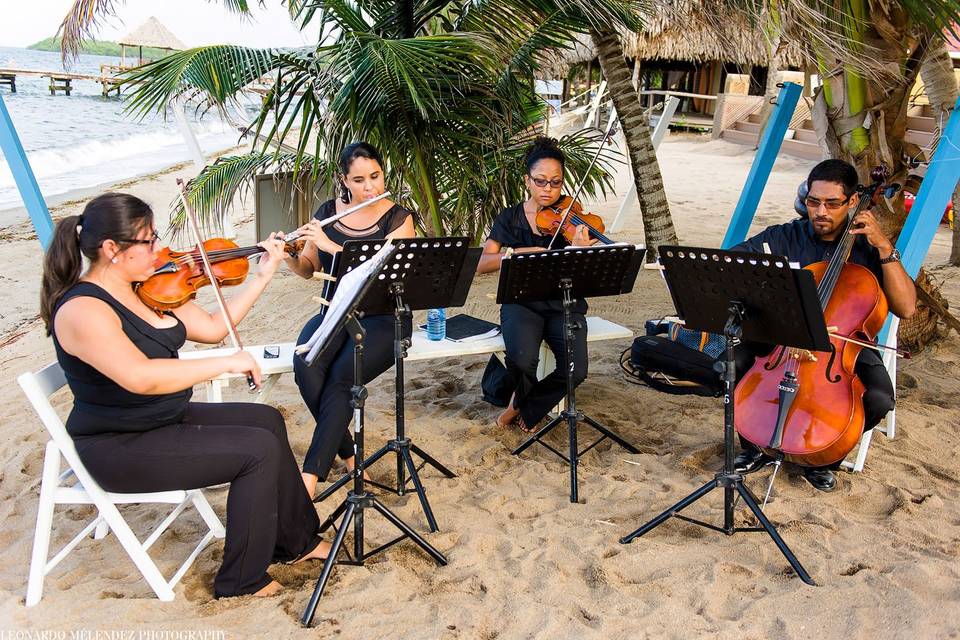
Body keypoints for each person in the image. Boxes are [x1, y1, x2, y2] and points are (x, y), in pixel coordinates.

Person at [41, 193, 328, 598]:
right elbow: (141, 378)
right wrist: (226, 364)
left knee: (267, 421)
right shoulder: (83, 310)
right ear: (112, 250)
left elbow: (212, 328)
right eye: (149, 240)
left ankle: (297, 542)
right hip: (119, 444)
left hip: (163, 419)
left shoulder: (146, 287)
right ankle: (241, 580)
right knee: (256, 450)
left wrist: (262, 276)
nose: (160, 249)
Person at [731, 159, 916, 492]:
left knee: (879, 397)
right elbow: (734, 268)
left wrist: (885, 248)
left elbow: (906, 307)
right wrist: (791, 320)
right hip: (783, 338)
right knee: (735, 364)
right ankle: (753, 446)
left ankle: (823, 459)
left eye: (832, 204)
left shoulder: (869, 248)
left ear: (850, 203)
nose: (821, 211)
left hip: (843, 347)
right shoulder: (784, 237)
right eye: (814, 202)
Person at [284, 142, 415, 498]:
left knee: (341, 379)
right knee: (305, 365)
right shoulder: (328, 211)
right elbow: (308, 268)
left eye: (375, 176)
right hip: (334, 311)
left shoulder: (399, 219)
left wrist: (330, 246)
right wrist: (289, 255)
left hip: (384, 317)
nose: (369, 187)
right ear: (344, 179)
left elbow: (380, 275)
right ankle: (351, 456)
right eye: (359, 180)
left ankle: (308, 479)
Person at [477, 137, 596, 433]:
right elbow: (482, 264)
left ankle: (523, 407)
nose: (548, 190)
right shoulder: (510, 218)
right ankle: (520, 406)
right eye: (541, 181)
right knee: (521, 361)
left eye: (556, 183)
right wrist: (516, 253)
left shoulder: (573, 219)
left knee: (576, 370)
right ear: (527, 180)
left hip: (563, 304)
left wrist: (580, 251)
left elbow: (591, 272)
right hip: (522, 302)